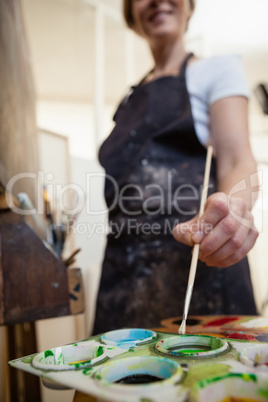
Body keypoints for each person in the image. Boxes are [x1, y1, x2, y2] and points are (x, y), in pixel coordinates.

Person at [92, 0, 259, 335]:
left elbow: (237, 158)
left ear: (189, 7)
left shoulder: (217, 70)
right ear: (131, 14)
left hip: (200, 274)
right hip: (123, 278)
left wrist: (232, 212)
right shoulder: (126, 101)